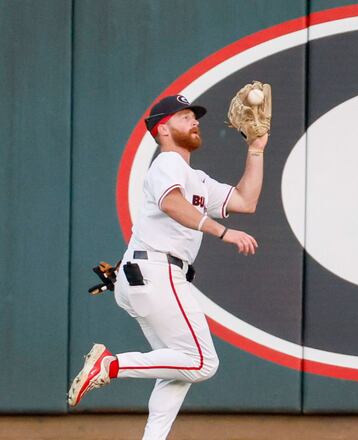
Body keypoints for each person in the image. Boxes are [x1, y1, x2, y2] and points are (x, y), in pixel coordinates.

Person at [67, 94, 267, 440]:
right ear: (163, 128)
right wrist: (223, 232)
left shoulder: (197, 178)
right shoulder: (168, 163)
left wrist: (256, 148)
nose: (195, 121)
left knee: (176, 368)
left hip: (147, 273)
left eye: (195, 116)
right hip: (158, 271)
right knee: (203, 363)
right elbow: (172, 203)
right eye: (185, 116)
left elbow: (246, 201)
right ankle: (110, 365)